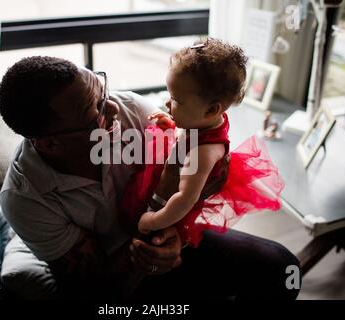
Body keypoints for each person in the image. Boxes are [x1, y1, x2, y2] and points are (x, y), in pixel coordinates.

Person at [0, 55, 301, 300]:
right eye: (97, 111)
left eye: (102, 89)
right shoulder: (27, 198)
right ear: (51, 143)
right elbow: (96, 287)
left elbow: (200, 157)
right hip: (123, 274)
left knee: (281, 266)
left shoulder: (131, 110)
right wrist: (154, 250)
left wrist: (179, 235)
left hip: (172, 225)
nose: (113, 107)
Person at [120, 38, 284, 248]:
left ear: (211, 110)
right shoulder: (204, 120)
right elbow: (190, 130)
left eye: (176, 100)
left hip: (166, 209)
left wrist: (153, 220)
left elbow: (184, 199)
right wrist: (172, 124)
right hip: (167, 179)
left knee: (140, 236)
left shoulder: (203, 153)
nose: (167, 103)